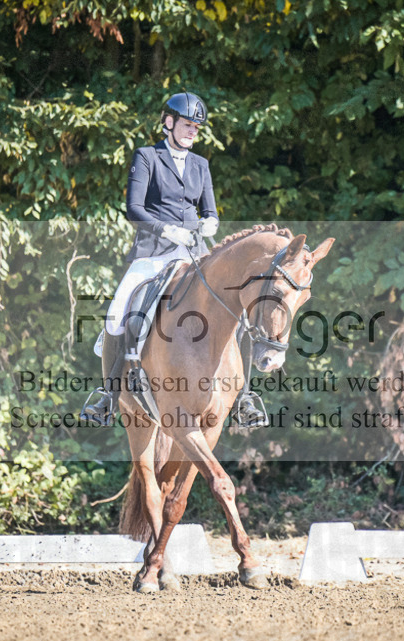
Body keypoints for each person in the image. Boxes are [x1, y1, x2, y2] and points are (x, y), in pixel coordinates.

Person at [81, 92, 268, 428]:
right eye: (187, 124)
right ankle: (107, 395)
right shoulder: (147, 157)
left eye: (196, 127)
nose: (192, 131)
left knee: (237, 317)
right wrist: (167, 230)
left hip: (195, 253)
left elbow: (209, 210)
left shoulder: (201, 165)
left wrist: (211, 222)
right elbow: (134, 208)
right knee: (118, 313)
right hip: (153, 251)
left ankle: (244, 398)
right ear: (168, 122)